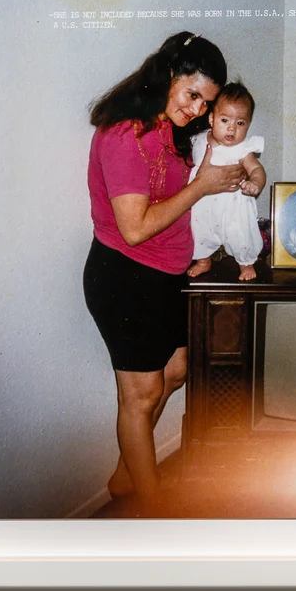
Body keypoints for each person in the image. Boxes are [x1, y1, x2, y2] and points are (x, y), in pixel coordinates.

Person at [83, 31, 246, 514]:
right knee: (142, 393)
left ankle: (123, 475)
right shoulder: (123, 134)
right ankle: (152, 509)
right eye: (192, 94)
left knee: (175, 371)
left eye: (207, 102)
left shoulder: (171, 128)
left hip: (168, 273)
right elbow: (134, 229)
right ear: (168, 75)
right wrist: (201, 188)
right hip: (125, 275)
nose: (198, 110)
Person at [186, 82, 267, 282]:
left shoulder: (242, 149)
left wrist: (256, 183)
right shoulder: (198, 141)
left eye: (240, 123)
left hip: (234, 206)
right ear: (212, 119)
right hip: (203, 203)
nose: (232, 128)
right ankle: (203, 260)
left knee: (240, 233)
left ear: (248, 125)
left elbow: (256, 169)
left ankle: (245, 263)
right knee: (198, 230)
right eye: (225, 120)